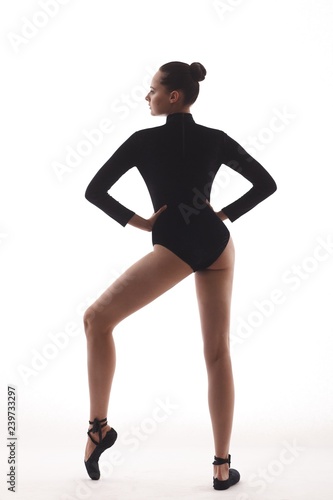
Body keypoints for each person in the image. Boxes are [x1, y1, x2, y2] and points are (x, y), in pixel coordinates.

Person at [83, 61, 277, 490]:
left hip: (177, 245)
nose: (147, 97)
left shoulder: (141, 141)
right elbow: (266, 183)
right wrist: (224, 214)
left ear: (173, 96)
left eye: (151, 90)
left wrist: (144, 223)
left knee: (96, 320)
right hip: (218, 244)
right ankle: (222, 468)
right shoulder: (216, 139)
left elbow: (94, 191)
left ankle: (98, 429)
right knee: (218, 354)